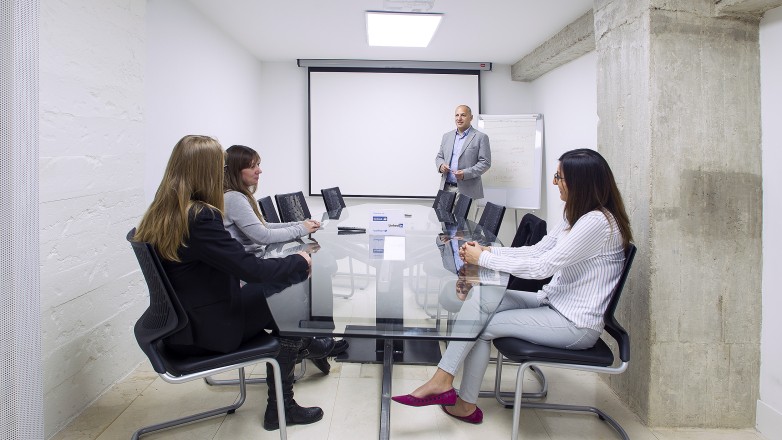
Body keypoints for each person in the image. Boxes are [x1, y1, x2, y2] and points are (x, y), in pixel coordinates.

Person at [393, 148, 633, 424]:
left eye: (559, 177)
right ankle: (444, 380)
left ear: (581, 182)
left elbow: (543, 267)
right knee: (481, 296)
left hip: (575, 324)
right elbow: (536, 251)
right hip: (551, 303)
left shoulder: (597, 223)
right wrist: (487, 253)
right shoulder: (576, 217)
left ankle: (459, 398)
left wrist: (483, 257)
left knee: (484, 326)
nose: (555, 183)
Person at [133, 135, 323, 431]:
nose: (223, 173)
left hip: (179, 326)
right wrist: (300, 261)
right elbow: (251, 270)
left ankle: (311, 345)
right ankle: (283, 404)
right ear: (206, 171)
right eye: (220, 167)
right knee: (290, 297)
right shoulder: (201, 217)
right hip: (207, 332)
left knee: (283, 295)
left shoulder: (162, 212)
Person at [223, 144, 349, 373]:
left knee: (316, 269)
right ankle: (316, 343)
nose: (259, 170)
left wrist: (298, 225)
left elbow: (263, 226)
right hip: (252, 274)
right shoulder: (234, 199)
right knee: (313, 272)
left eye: (258, 164)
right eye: (253, 166)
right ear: (235, 170)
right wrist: (300, 229)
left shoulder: (239, 196)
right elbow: (262, 236)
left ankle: (318, 340)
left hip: (259, 264)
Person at [435, 105, 491, 202]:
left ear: (471, 117)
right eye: (457, 115)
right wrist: (441, 166)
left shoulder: (480, 137)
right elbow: (439, 157)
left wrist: (465, 173)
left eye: (463, 115)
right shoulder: (447, 136)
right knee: (443, 217)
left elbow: (485, 163)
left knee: (464, 218)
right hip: (446, 190)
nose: (459, 118)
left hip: (467, 192)